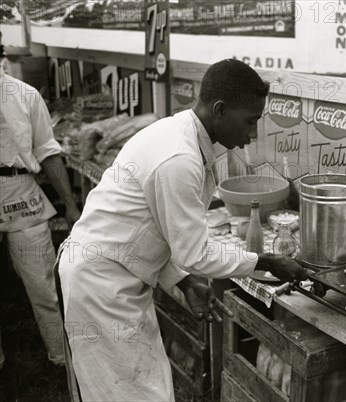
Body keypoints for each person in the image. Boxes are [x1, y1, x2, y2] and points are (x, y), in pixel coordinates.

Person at [56, 59, 309, 401]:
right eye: (250, 121)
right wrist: (267, 262)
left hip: (116, 274)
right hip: (101, 284)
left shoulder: (181, 137)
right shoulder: (179, 156)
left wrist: (185, 281)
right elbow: (195, 252)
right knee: (132, 393)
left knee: (141, 386)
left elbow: (157, 228)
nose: (252, 134)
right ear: (219, 109)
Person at [0, 43, 81, 370]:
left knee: (43, 284)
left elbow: (48, 151)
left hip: (21, 192)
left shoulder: (24, 94)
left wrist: (71, 205)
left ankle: (62, 357)